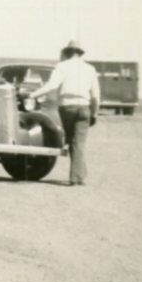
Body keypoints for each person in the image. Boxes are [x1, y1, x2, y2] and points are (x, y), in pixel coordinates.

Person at [29, 40, 101, 185]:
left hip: (67, 108)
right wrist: (95, 113)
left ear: (67, 52)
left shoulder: (62, 66)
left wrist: (32, 95)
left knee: (72, 141)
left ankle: (77, 176)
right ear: (80, 53)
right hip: (84, 108)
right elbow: (96, 96)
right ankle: (78, 176)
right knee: (78, 143)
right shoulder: (90, 69)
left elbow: (52, 85)